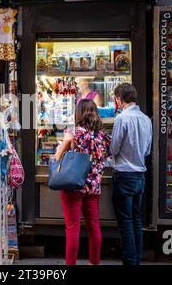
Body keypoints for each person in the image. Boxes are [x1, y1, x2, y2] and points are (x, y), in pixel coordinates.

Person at [54, 99, 111, 265]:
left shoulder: (72, 133)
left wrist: (62, 149)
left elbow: (58, 157)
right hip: (93, 188)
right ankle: (94, 262)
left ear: (78, 114)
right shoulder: (103, 136)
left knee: (72, 229)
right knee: (94, 227)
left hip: (73, 186)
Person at [110, 83, 152, 265]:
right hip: (140, 175)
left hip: (124, 175)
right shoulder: (146, 119)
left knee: (125, 223)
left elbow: (114, 148)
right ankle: (136, 259)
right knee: (136, 220)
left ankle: (130, 262)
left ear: (119, 99)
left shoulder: (122, 118)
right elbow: (147, 150)